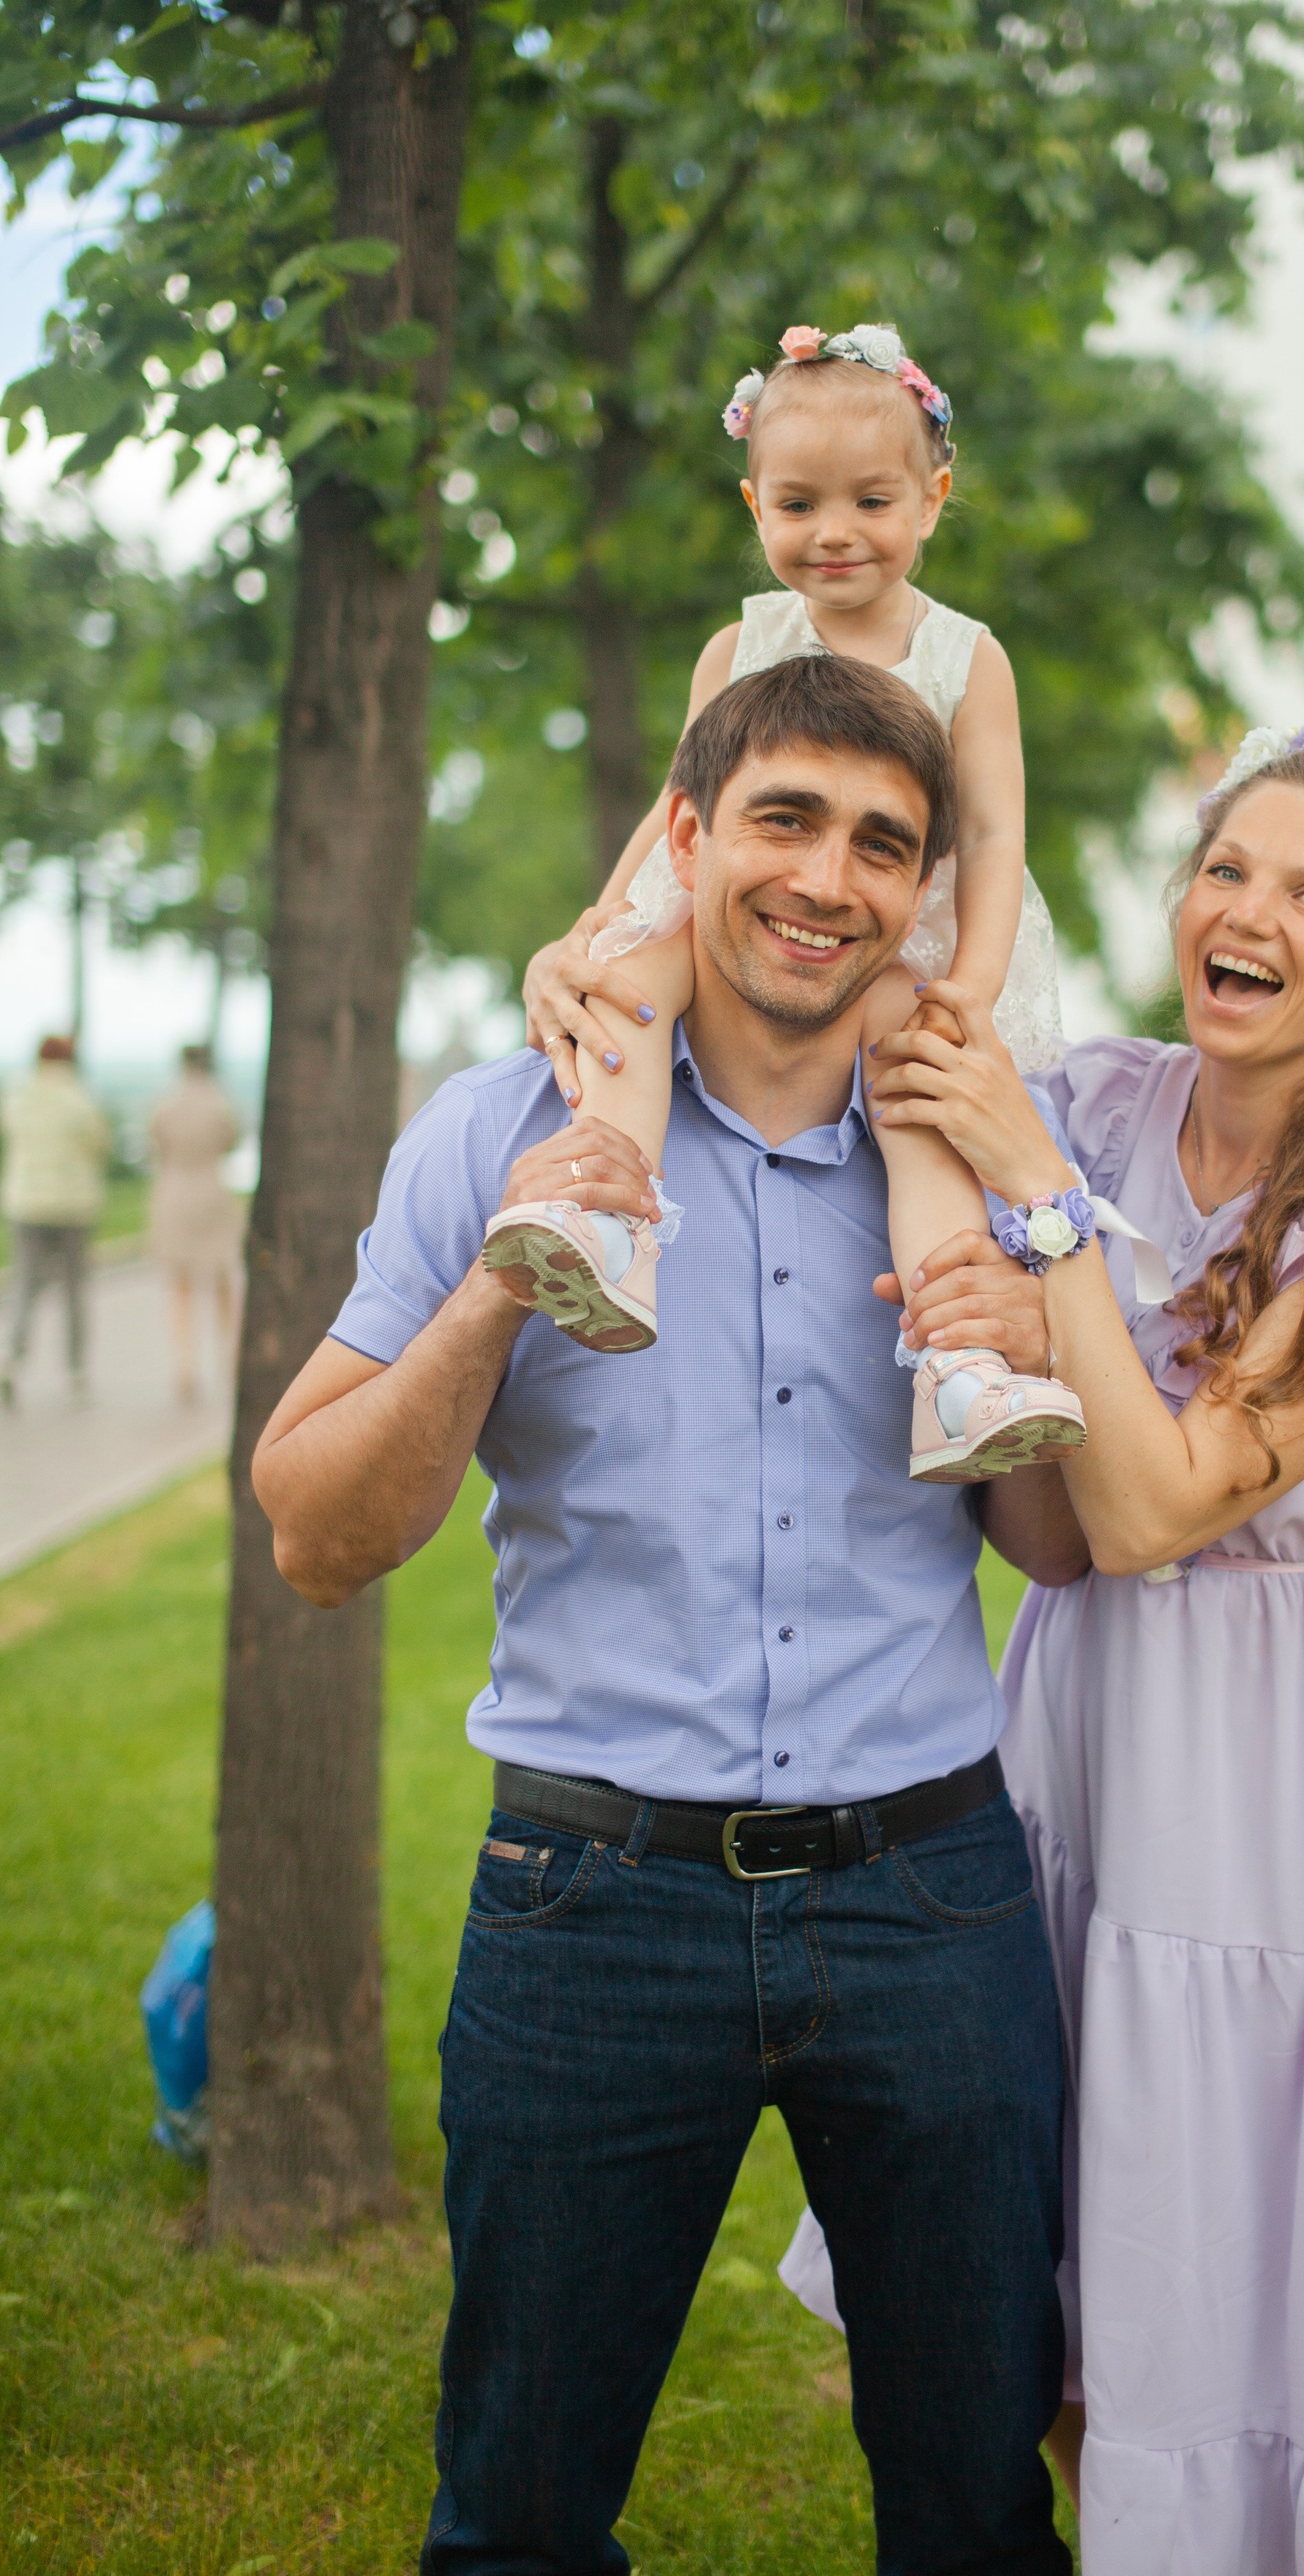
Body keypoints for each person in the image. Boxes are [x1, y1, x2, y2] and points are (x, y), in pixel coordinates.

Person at [252, 655, 1078, 2576]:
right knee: (521, 2515)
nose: (828, 878)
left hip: (930, 1904)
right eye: (785, 817)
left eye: (885, 844)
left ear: (925, 893)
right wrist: (496, 1288)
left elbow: (1054, 1545)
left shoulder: (963, 1155)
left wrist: (1033, 1327)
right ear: (687, 839)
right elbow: (313, 1535)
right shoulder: (498, 1127)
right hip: (591, 1910)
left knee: (977, 2510)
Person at [792, 713, 1304, 2571]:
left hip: (1281, 1781)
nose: (1249, 909)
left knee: (1263, 2247)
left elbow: (1163, 1501)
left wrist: (1036, 1225)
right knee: (1062, 2258)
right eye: (1225, 867)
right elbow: (1056, 1539)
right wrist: (975, 1330)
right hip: (1080, 1732)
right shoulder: (1103, 1096)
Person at [494, 320, 1085, 1484]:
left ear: (934, 497)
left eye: (872, 502)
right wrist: (601, 917)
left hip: (908, 928)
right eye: (798, 505)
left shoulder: (968, 655)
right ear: (754, 503)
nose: (835, 535)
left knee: (919, 1119)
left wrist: (965, 983)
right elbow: (681, 799)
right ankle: (609, 1216)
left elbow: (1000, 832)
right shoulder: (743, 644)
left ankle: (962, 1366)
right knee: (624, 993)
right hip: (736, 917)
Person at [1, 1034, 112, 1409]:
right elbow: (99, 1144)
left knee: (26, 1283)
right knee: (75, 1288)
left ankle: (13, 1360)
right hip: (73, 1205)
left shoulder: (19, 1096)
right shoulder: (79, 1098)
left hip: (27, 1203)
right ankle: (76, 1369)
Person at [146, 1044, 244, 1405]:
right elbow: (232, 1141)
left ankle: (185, 1366)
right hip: (212, 1191)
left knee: (181, 1285)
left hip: (174, 1193)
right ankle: (230, 1357)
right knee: (222, 1283)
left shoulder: (165, 1103)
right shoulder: (221, 1103)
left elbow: (155, 1142)